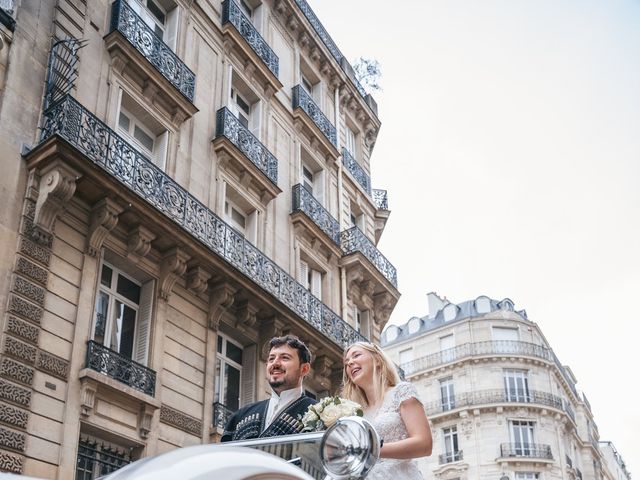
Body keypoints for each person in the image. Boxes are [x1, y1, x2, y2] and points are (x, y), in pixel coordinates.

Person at [342, 341, 432, 479]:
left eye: (357, 355)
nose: (350, 363)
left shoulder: (402, 392)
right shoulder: (356, 413)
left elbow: (424, 444)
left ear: (377, 360)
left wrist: (371, 450)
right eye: (347, 361)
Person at [221, 335, 316, 441]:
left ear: (304, 369)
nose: (275, 363)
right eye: (271, 359)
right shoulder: (241, 416)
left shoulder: (319, 413)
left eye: (285, 358)